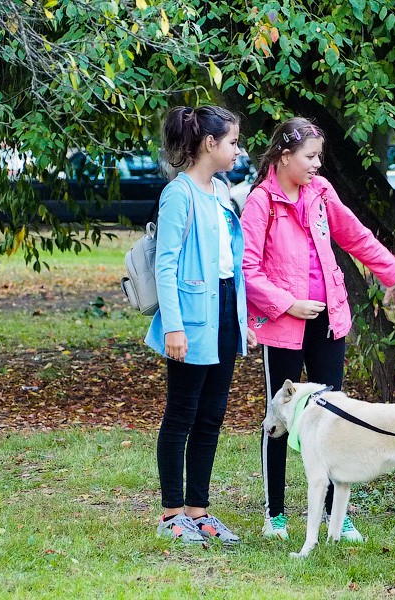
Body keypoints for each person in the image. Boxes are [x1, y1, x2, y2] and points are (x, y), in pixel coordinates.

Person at [241, 116, 395, 542]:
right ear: (284, 155)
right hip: (283, 328)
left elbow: (356, 236)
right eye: (310, 157)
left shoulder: (321, 192)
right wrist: (287, 303)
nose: (317, 165)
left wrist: (391, 272)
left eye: (319, 157)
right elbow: (248, 270)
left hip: (330, 322)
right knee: (277, 419)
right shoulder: (260, 202)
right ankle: (275, 516)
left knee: (335, 420)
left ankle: (337, 516)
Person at [145, 105, 257, 545]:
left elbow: (231, 265)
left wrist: (241, 319)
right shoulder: (179, 194)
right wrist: (174, 327)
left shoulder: (221, 190)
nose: (237, 150)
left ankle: (199, 511)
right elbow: (166, 265)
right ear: (209, 144)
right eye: (232, 142)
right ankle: (172, 514)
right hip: (191, 318)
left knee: (211, 417)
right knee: (182, 415)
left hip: (224, 312)